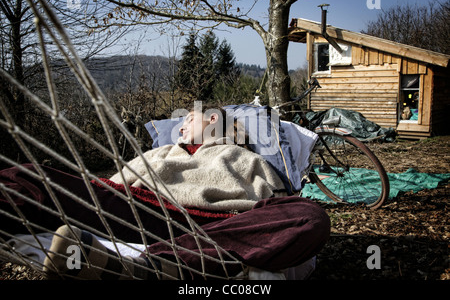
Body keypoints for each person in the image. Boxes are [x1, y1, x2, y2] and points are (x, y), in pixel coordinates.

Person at [0, 104, 330, 280]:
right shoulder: (160, 152)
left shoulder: (246, 157)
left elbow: (276, 206)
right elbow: (113, 187)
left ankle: (152, 267)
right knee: (28, 177)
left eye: (188, 118)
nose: (180, 125)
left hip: (211, 229)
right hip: (135, 211)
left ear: (213, 118)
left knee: (309, 216)